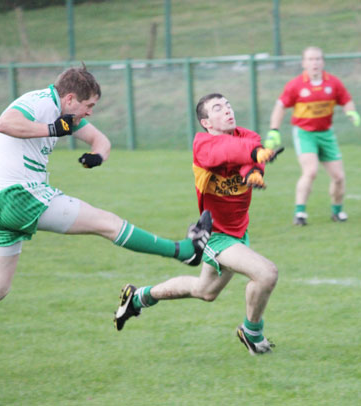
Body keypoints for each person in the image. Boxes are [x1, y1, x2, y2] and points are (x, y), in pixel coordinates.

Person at [0, 65, 213, 385]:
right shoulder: (42, 103)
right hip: (19, 196)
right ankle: (185, 251)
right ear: (70, 98)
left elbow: (99, 138)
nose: (90, 112)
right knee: (108, 223)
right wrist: (52, 129)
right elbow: (4, 123)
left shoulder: (62, 113)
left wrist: (97, 156)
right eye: (89, 106)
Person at [114, 93, 283, 355]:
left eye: (228, 104)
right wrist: (253, 155)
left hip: (238, 231)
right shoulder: (202, 145)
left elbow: (246, 160)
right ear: (206, 122)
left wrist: (254, 172)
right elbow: (225, 152)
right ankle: (252, 333)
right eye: (218, 108)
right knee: (266, 274)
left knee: (205, 291)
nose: (227, 109)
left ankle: (138, 298)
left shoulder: (248, 137)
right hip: (215, 234)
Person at [265, 46, 361, 226]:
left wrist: (351, 112)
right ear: (303, 63)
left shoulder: (333, 83)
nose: (314, 63)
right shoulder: (295, 85)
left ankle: (337, 212)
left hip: (326, 134)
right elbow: (280, 107)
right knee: (310, 171)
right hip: (305, 134)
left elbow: (346, 100)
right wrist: (274, 130)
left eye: (317, 59)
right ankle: (300, 213)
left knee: (339, 177)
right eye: (310, 59)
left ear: (323, 62)